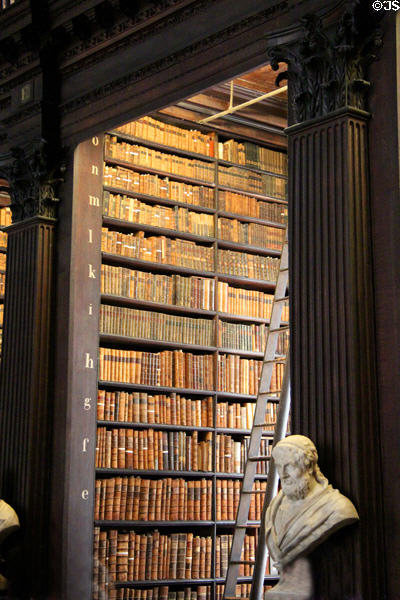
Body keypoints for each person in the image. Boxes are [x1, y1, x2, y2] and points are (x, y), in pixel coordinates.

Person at [264, 435, 359, 599]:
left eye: (289, 466)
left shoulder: (337, 508)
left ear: (308, 466)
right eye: (279, 467)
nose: (283, 474)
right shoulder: (274, 508)